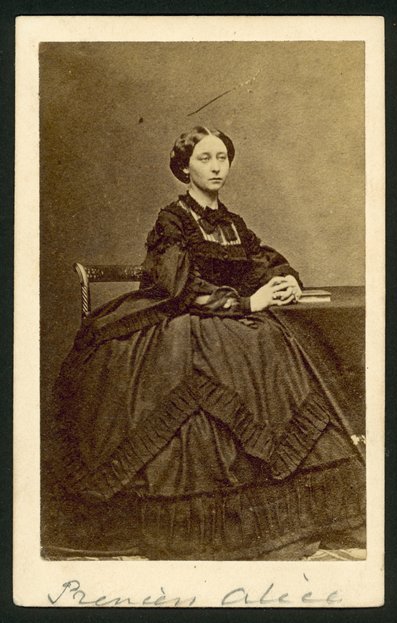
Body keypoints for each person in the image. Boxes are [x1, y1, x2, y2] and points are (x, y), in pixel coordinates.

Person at [51, 126, 365, 560]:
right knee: (223, 352)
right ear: (185, 168)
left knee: (271, 341)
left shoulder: (233, 224)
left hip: (230, 319)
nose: (216, 167)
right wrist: (247, 302)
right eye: (204, 158)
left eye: (222, 158)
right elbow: (179, 286)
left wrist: (285, 279)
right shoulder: (173, 220)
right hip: (182, 316)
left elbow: (261, 260)